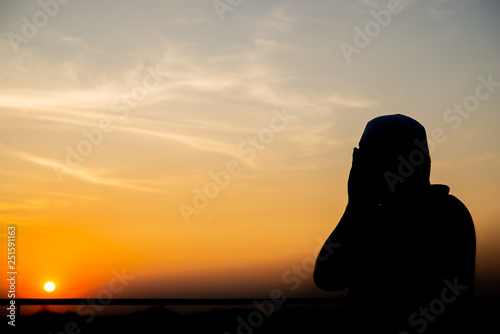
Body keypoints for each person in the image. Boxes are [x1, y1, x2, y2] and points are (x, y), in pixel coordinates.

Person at [314, 114, 476, 333]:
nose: (365, 169)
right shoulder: (380, 216)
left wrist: (356, 206)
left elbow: (329, 277)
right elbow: (326, 277)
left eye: (371, 159)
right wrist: (357, 206)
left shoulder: (444, 214)